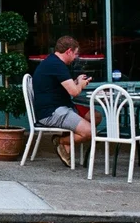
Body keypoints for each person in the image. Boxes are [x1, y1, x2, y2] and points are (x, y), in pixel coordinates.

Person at [32, 35, 94, 166]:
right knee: (90, 131)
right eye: (75, 54)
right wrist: (81, 85)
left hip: (60, 106)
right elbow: (74, 92)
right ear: (69, 51)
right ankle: (61, 141)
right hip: (51, 112)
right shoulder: (57, 66)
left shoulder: (53, 61)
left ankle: (66, 145)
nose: (76, 57)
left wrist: (76, 81)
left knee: (96, 116)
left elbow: (64, 86)